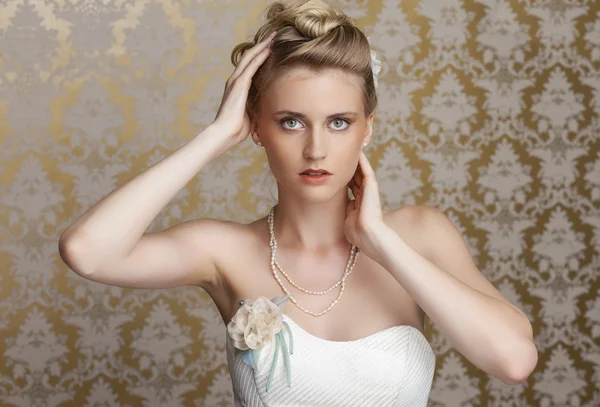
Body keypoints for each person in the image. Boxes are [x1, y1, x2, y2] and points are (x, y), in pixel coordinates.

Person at [58, 0, 537, 405]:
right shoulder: (224, 251)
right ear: (257, 128)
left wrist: (383, 244)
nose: (315, 149)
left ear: (367, 127)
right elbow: (87, 251)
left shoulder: (419, 234)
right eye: (290, 121)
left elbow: (514, 360)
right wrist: (214, 136)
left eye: (338, 122)